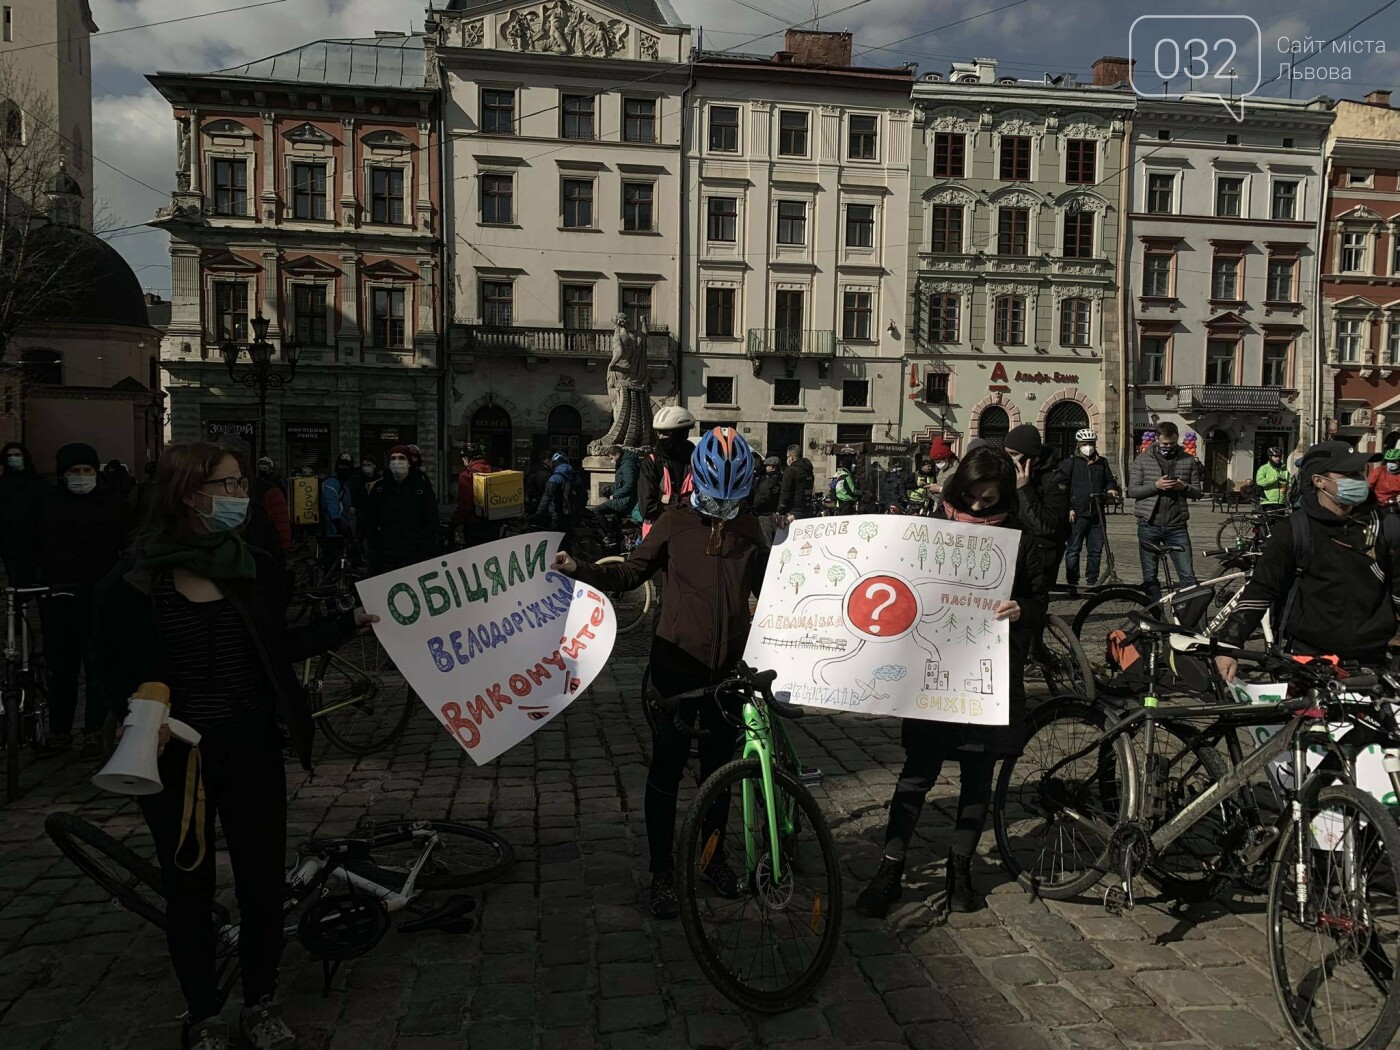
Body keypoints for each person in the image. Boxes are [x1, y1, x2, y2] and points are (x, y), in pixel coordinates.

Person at [93, 441, 375, 1050]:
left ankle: (261, 1000)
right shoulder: (136, 577)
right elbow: (108, 664)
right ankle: (203, 1014)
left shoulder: (252, 565)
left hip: (249, 745)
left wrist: (346, 624)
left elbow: (277, 645)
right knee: (187, 886)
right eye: (226, 486)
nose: (238, 497)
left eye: (241, 484)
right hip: (174, 755)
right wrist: (130, 716)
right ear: (188, 493)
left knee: (260, 880)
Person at [553, 427, 767, 918]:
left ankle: (712, 859)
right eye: (716, 499)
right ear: (698, 484)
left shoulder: (750, 529)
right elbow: (631, 572)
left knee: (719, 775)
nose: (723, 510)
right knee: (667, 773)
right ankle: (662, 872)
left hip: (727, 672)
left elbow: (775, 590)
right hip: (675, 667)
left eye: (733, 501)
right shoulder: (676, 521)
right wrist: (580, 568)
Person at [855, 447, 1041, 919]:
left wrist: (1022, 608)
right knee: (917, 774)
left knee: (977, 777)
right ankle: (890, 868)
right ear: (959, 489)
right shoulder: (932, 528)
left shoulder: (1022, 539)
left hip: (986, 672)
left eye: (990, 500)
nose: (979, 509)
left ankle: (959, 872)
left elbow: (1039, 599)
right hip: (932, 670)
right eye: (973, 497)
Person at [1216, 441, 1395, 681]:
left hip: (1373, 658)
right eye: (1348, 474)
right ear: (1319, 480)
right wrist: (1229, 644)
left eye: (1360, 473)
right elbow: (1262, 588)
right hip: (1309, 660)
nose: (1359, 480)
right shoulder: (1294, 530)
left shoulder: (1384, 525)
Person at [36, 443, 128, 756]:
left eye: (87, 471)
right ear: (62, 475)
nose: (81, 477)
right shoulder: (48, 503)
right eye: (74, 472)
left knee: (97, 667)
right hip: (58, 597)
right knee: (61, 668)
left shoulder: (111, 503)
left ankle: (93, 729)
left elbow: (123, 546)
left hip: (100, 598)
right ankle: (59, 730)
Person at [1127, 422, 1203, 601]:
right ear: (1156, 440)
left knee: (1188, 576)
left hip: (1177, 526)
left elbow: (1197, 493)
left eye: (1172, 444)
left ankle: (1189, 618)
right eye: (1164, 445)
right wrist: (1156, 486)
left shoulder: (1188, 460)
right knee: (1150, 576)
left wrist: (1183, 486)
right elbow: (1132, 491)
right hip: (1149, 524)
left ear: (1177, 439)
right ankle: (1156, 615)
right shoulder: (1143, 460)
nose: (1168, 448)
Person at [1003, 424, 1071, 608]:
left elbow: (1046, 525)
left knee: (1031, 610)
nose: (1011, 459)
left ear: (1029, 455)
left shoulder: (1056, 479)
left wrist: (1024, 489)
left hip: (1043, 552)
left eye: (1014, 454)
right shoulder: (1011, 472)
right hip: (1015, 548)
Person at [1058, 427, 1120, 597]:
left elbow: (1109, 481)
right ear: (1079, 445)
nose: (1089, 447)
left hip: (1097, 513)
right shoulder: (1070, 463)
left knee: (1096, 549)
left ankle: (1092, 581)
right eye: (1085, 443)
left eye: (1091, 443)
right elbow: (1061, 489)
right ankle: (1072, 582)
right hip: (1077, 513)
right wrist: (1068, 507)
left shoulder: (1102, 462)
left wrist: (1111, 489)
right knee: (1073, 549)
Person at [363, 445, 438, 574]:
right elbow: (370, 518)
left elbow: (431, 518)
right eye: (393, 458)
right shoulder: (380, 488)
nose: (397, 461)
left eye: (401, 458)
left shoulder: (421, 487)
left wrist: (422, 545)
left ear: (409, 463)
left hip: (412, 552)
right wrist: (375, 543)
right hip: (385, 552)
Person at [637, 405, 697, 527]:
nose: (660, 437)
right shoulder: (651, 462)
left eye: (666, 433)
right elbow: (647, 508)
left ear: (682, 434)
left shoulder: (698, 461)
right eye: (659, 433)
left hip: (688, 532)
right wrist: (683, 505)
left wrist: (667, 502)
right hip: (658, 534)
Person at [0, 441, 44, 585]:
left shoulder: (38, 482)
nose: (13, 458)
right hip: (9, 541)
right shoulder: (3, 483)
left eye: (16, 454)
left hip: (35, 539)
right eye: (9, 455)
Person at [449, 443, 495, 548]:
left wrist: (453, 523)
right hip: (493, 523)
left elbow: (465, 504)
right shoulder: (492, 470)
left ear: (466, 458)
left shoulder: (467, 475)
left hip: (474, 524)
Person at [319, 453, 355, 567]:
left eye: (347, 466)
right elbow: (331, 501)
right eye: (341, 465)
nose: (344, 468)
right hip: (330, 531)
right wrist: (337, 520)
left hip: (338, 530)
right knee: (333, 566)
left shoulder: (344, 483)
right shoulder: (332, 482)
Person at [536, 451, 583, 532]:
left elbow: (547, 497)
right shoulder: (575, 476)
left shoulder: (555, 478)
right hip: (572, 514)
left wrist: (538, 514)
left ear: (554, 464)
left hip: (557, 515)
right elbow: (583, 495)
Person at [599, 445, 641, 521]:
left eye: (612, 458)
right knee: (616, 516)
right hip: (625, 498)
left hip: (626, 500)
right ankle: (615, 531)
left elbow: (629, 484)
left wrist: (615, 495)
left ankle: (609, 532)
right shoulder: (623, 463)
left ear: (617, 455)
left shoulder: (627, 465)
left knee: (598, 510)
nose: (611, 461)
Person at [776, 443, 814, 522]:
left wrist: (780, 510)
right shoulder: (808, 469)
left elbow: (785, 492)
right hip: (807, 508)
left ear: (792, 458)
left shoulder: (791, 470)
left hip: (794, 510)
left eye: (787, 457)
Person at [752, 456, 783, 543]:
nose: (765, 468)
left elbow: (763, 495)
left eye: (767, 466)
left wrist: (753, 506)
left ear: (772, 467)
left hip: (765, 513)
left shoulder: (770, 480)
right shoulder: (781, 477)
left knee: (766, 541)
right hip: (776, 513)